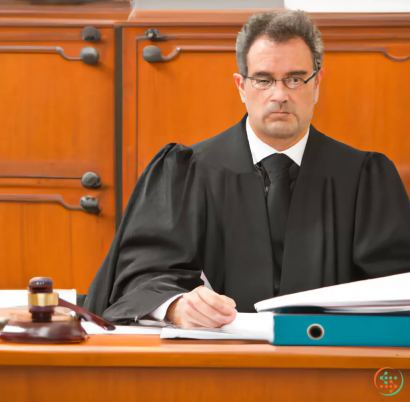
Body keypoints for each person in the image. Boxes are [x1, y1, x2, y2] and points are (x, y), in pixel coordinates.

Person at [84, 10, 410, 328]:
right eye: (264, 79)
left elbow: (395, 289)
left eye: (296, 79)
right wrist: (177, 306)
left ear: (317, 83)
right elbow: (143, 273)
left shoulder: (364, 178)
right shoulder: (186, 172)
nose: (279, 95)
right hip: (214, 370)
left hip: (330, 367)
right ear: (241, 86)